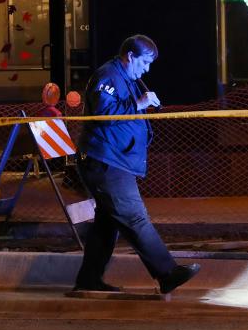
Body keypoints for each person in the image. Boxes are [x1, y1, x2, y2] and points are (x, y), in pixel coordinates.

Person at [72, 34, 200, 295]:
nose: (147, 69)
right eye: (144, 62)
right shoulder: (108, 76)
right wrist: (138, 103)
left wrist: (138, 103)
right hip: (106, 162)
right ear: (130, 56)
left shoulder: (125, 78)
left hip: (113, 160)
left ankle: (89, 280)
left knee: (106, 225)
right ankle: (167, 273)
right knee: (134, 216)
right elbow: (103, 115)